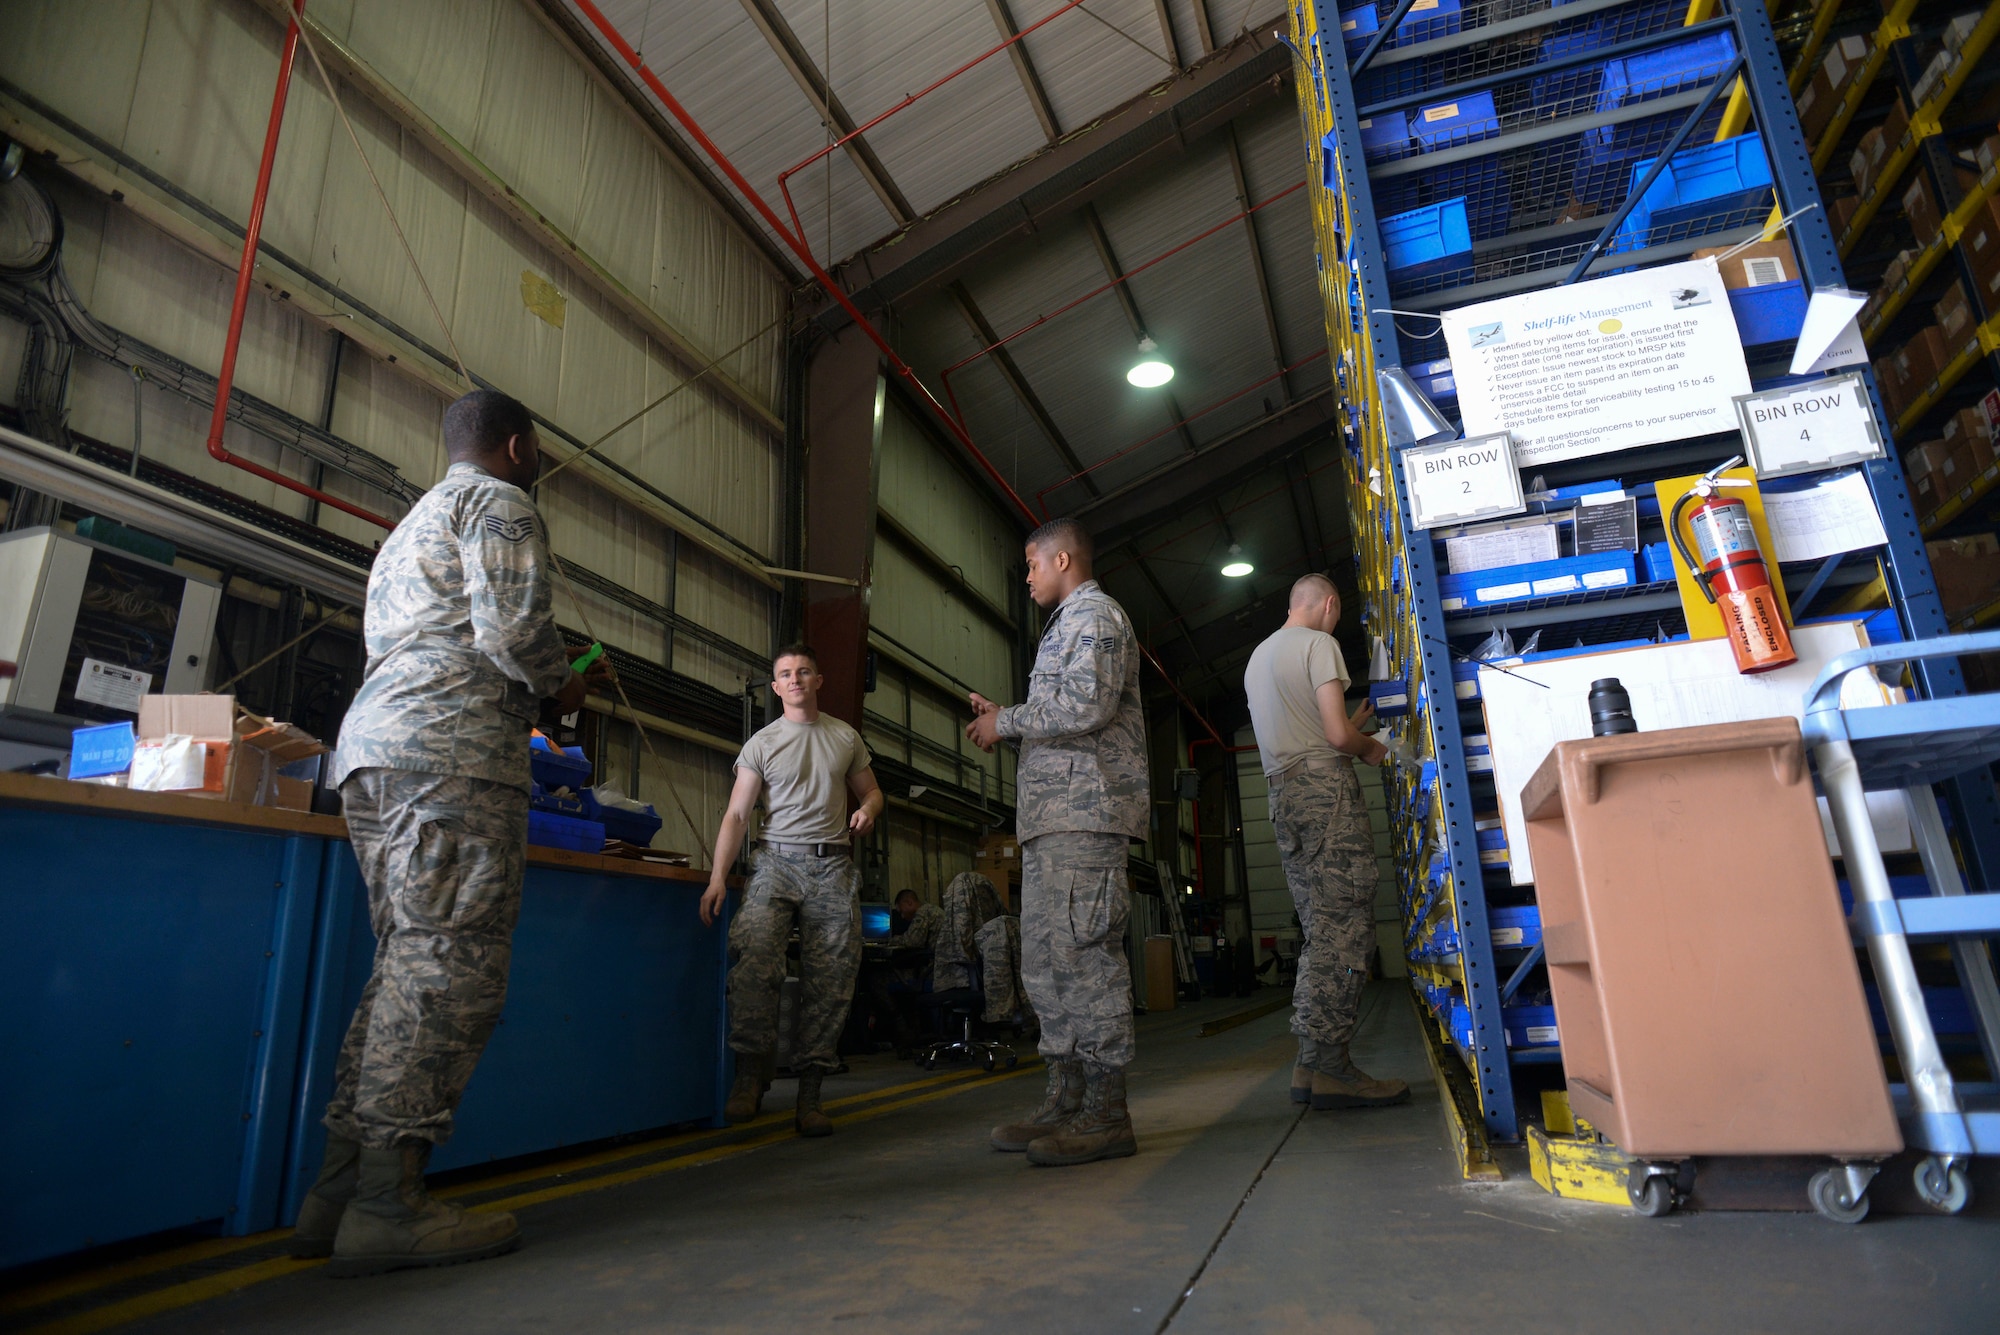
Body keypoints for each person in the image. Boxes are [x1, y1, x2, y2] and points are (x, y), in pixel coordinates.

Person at [293, 388, 607, 1277]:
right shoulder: (502, 503)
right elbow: (511, 630)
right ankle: (389, 1206)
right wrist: (561, 685)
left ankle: (336, 1193)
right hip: (451, 755)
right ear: (520, 445)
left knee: (406, 960)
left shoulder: (408, 528)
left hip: (375, 753)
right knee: (449, 970)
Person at [967, 517, 1148, 1167]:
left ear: (1062, 557)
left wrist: (1004, 720)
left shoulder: (1095, 616)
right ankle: (1066, 1096)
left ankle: (1106, 1110)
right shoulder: (1063, 626)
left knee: (1084, 955)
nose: (1027, 575)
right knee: (1045, 961)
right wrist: (1007, 718)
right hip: (1050, 822)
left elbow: (1089, 706)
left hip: (1085, 813)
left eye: (1032, 564)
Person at [1242, 572, 1409, 1113]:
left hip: (1283, 798)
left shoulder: (1257, 658)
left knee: (1321, 927)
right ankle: (1333, 1067)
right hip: (1325, 793)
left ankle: (1310, 1064)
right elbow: (1338, 739)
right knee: (1348, 928)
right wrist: (1372, 749)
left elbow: (1314, 729)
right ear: (1329, 605)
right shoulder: (1320, 644)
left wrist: (1351, 728)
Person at [701, 644, 883, 1136]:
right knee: (755, 963)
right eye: (786, 674)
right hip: (776, 863)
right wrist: (718, 877)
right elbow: (737, 814)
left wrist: (868, 808)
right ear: (777, 687)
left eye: (804, 671)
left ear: (818, 680)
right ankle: (750, 1079)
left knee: (831, 981)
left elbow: (871, 789)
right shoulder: (761, 744)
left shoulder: (844, 737)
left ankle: (810, 1095)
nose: (796, 679)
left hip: (833, 867)